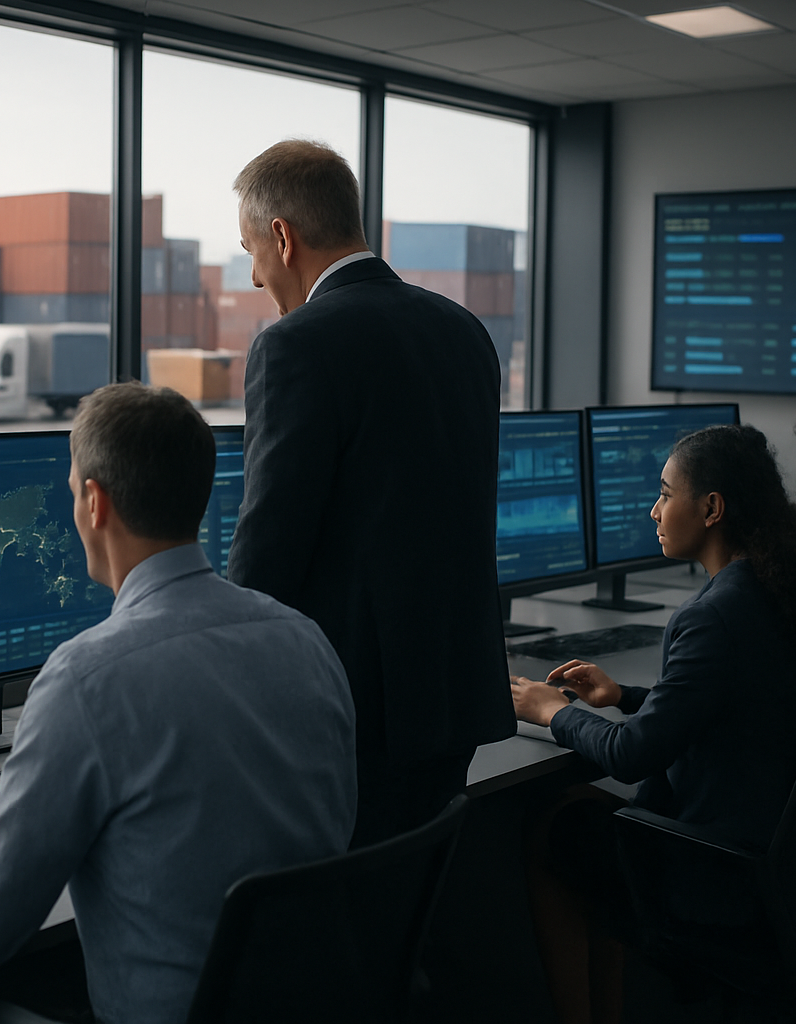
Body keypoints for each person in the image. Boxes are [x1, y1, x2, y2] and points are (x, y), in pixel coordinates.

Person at [0, 383, 356, 1024]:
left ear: (94, 502)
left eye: (73, 489)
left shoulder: (86, 678)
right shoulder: (305, 639)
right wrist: (42, 818)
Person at [224, 138, 513, 848]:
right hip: (456, 691)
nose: (256, 278)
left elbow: (270, 545)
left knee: (342, 923)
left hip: (353, 707)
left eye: (251, 251)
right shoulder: (464, 331)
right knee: (404, 903)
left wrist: (208, 665)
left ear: (283, 238)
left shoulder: (295, 344)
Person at [508, 425, 796, 1024]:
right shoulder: (775, 588)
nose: (654, 508)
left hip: (720, 872)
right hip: (783, 856)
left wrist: (552, 711)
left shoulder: (712, 615)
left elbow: (633, 755)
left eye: (665, 493)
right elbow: (730, 704)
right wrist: (625, 695)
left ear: (711, 508)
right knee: (585, 812)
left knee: (551, 826)